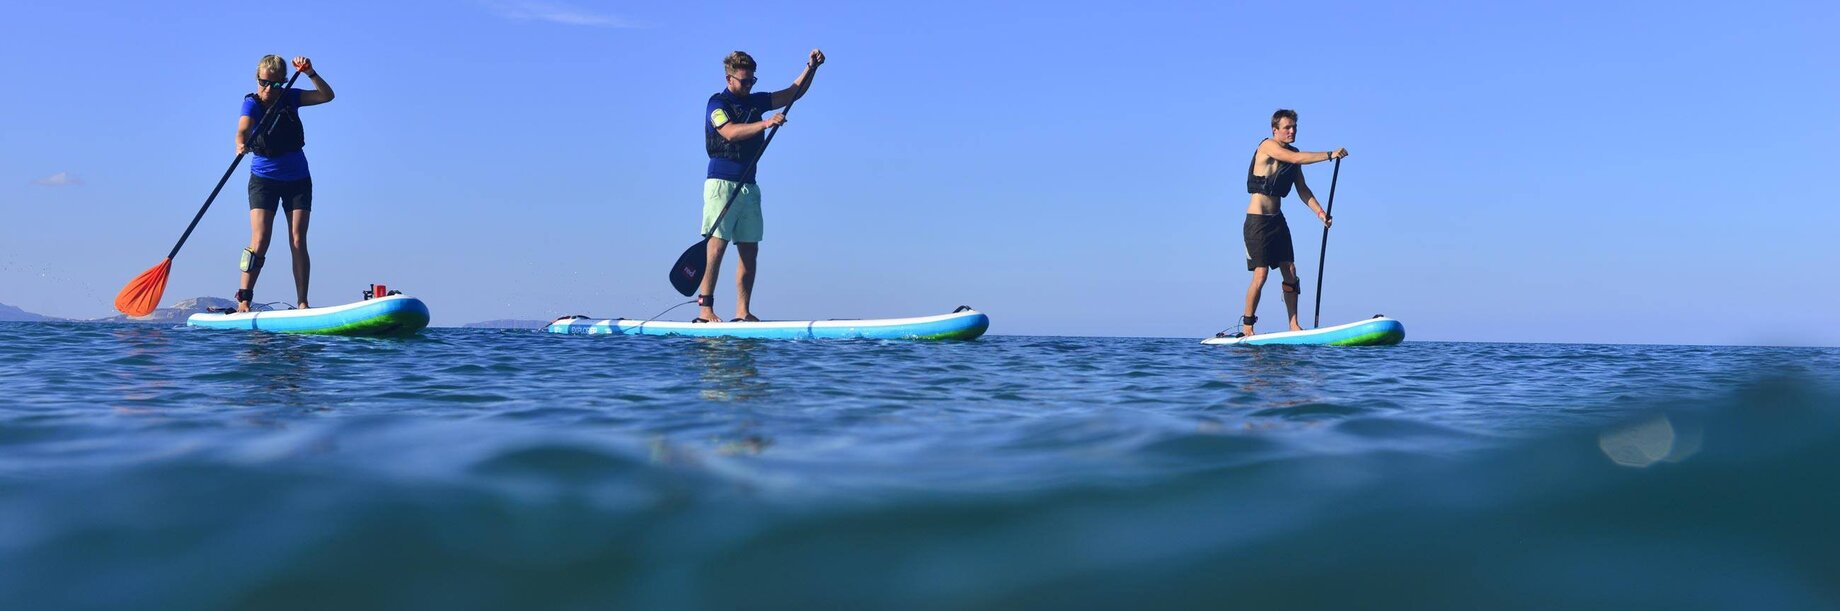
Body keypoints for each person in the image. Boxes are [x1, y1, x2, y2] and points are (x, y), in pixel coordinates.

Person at [696, 49, 825, 323]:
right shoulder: (716, 104)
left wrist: (810, 68)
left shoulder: (755, 101)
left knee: (749, 249)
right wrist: (765, 122)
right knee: (717, 247)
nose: (749, 86)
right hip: (721, 184)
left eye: (752, 81)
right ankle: (705, 310)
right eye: (744, 81)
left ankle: (742, 312)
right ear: (729, 79)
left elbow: (793, 93)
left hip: (749, 186)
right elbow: (729, 132)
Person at [235, 54, 333, 312]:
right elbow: (243, 128)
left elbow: (327, 96)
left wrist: (311, 72)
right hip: (264, 180)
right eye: (264, 83)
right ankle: (244, 299)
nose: (269, 89)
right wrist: (240, 143)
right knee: (260, 240)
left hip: (297, 179)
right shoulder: (252, 104)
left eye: (276, 84)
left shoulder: (291, 97)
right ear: (257, 80)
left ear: (284, 83)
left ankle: (302, 302)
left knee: (298, 240)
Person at [1236, 109, 1346, 336]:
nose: (1292, 131)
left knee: (1290, 270)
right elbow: (1295, 158)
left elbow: (1303, 190)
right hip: (1256, 222)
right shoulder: (1267, 146)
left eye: (1294, 127)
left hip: (1277, 221)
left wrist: (1320, 213)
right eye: (1287, 127)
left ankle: (1294, 324)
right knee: (1261, 273)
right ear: (1275, 130)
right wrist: (1329, 154)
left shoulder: (1294, 156)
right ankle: (1248, 326)